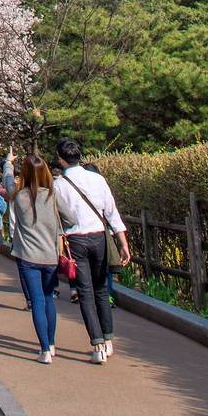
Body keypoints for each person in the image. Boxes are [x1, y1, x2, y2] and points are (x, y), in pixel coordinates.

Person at [54, 138, 131, 363]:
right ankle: (108, 341)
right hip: (99, 237)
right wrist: (122, 242)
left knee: (85, 292)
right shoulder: (97, 179)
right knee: (101, 289)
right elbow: (111, 212)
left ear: (61, 159)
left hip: (75, 240)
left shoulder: (58, 185)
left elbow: (59, 219)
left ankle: (97, 345)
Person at [2, 148, 63, 362]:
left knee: (36, 300)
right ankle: (52, 344)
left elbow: (8, 178)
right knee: (48, 300)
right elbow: (70, 217)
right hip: (50, 257)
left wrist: (8, 162)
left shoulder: (19, 196)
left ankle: (44, 350)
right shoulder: (53, 195)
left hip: (28, 257)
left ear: (25, 174)